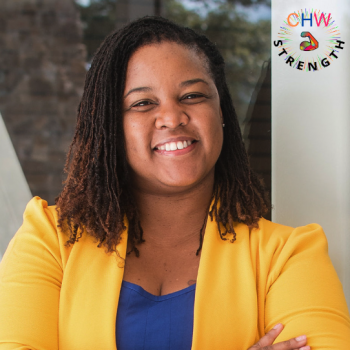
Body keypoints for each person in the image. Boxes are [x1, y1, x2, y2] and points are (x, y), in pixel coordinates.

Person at [0, 16, 349, 350]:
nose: (171, 117)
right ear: (111, 127)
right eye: (142, 103)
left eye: (192, 96)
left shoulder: (289, 256)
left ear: (221, 113)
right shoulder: (49, 241)